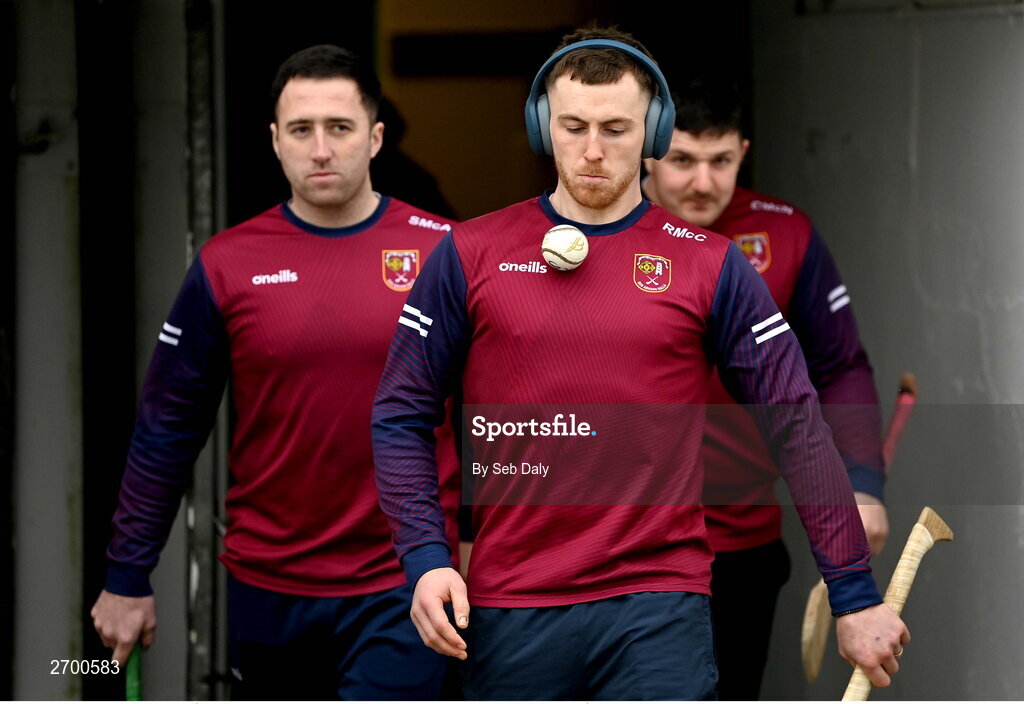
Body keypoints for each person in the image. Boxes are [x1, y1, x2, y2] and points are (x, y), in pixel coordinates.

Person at [372, 25, 908, 700]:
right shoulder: (469, 254)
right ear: (544, 127)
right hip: (513, 604)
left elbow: (795, 423)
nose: (593, 150)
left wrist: (853, 593)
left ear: (652, 135)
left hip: (660, 608)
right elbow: (401, 414)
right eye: (573, 126)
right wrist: (426, 558)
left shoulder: (711, 264)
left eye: (617, 128)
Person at [90, 44, 461, 700]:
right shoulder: (227, 264)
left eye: (339, 128)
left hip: (405, 579)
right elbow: (166, 428)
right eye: (301, 130)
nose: (321, 149)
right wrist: (127, 575)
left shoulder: (446, 252)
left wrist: (490, 551)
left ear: (374, 138)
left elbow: (503, 409)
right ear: (275, 141)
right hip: (269, 582)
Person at [642, 76, 890, 699]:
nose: (703, 183)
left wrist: (861, 483)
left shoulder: (784, 234)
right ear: (646, 152)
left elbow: (841, 368)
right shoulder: (590, 231)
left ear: (744, 151)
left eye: (720, 161)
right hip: (623, 540)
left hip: (741, 543)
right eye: (683, 161)